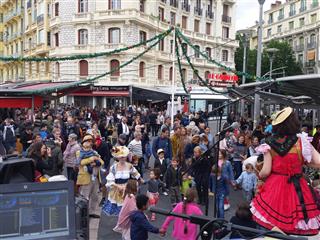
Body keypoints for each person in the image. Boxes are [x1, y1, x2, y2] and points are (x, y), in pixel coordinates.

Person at [251, 107, 320, 235]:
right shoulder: (301, 141)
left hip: (275, 186)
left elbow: (265, 171)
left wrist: (258, 174)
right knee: (297, 222)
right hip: (298, 185)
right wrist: (303, 162)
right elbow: (318, 162)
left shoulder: (269, 144)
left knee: (274, 224)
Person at [103, 146, 142, 216]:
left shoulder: (129, 166)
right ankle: (121, 224)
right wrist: (118, 186)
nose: (122, 158)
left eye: (124, 157)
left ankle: (126, 224)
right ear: (117, 157)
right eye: (121, 157)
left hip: (127, 189)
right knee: (119, 211)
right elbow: (110, 180)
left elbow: (135, 173)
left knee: (128, 210)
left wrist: (140, 179)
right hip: (117, 190)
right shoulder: (114, 167)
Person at [76, 134, 104, 218]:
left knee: (95, 196)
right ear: (83, 143)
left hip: (95, 177)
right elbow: (81, 162)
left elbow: (101, 162)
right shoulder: (79, 152)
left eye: (91, 142)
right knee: (84, 197)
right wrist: (92, 159)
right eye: (88, 141)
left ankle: (91, 212)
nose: (90, 143)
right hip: (85, 177)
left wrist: (95, 162)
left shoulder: (94, 152)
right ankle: (83, 213)